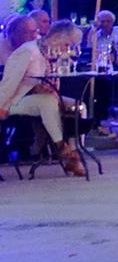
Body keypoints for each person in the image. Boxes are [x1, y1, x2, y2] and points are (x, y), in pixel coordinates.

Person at [0, 16, 84, 176]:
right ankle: (62, 149)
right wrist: (1, 105)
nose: (68, 49)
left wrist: (48, 88)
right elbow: (10, 81)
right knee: (47, 103)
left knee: (78, 105)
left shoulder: (53, 52)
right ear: (58, 37)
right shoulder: (28, 51)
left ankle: (74, 149)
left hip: (40, 97)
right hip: (14, 99)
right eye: (67, 44)